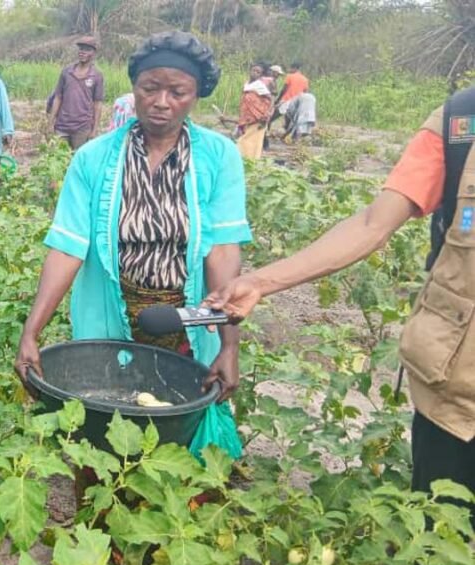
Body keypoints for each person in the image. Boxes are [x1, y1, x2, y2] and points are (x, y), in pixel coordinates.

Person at [204, 88, 475, 525]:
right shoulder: (461, 122)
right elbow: (373, 223)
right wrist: (258, 282)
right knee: (443, 539)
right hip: (458, 398)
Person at [17, 31, 248, 404]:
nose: (161, 102)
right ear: (133, 88)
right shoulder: (93, 158)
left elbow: (222, 251)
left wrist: (229, 345)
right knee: (107, 421)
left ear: (197, 95)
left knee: (181, 424)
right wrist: (31, 332)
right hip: (112, 314)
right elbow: (67, 248)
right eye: (149, 88)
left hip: (186, 323)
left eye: (178, 93)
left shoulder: (219, 156)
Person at [47, 36, 105, 150]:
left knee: (78, 160)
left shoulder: (97, 75)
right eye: (81, 49)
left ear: (93, 53)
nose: (82, 52)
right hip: (62, 126)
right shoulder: (66, 72)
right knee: (58, 159)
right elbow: (58, 97)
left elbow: (97, 104)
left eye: (87, 49)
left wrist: (94, 130)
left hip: (82, 128)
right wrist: (50, 123)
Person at [221, 63, 274, 159]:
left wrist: (266, 115)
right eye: (254, 70)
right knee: (245, 139)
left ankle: (248, 159)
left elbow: (269, 100)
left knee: (251, 141)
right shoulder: (247, 84)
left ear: (260, 75)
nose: (255, 73)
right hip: (247, 117)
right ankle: (245, 159)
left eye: (258, 72)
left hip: (258, 118)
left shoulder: (259, 86)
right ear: (250, 71)